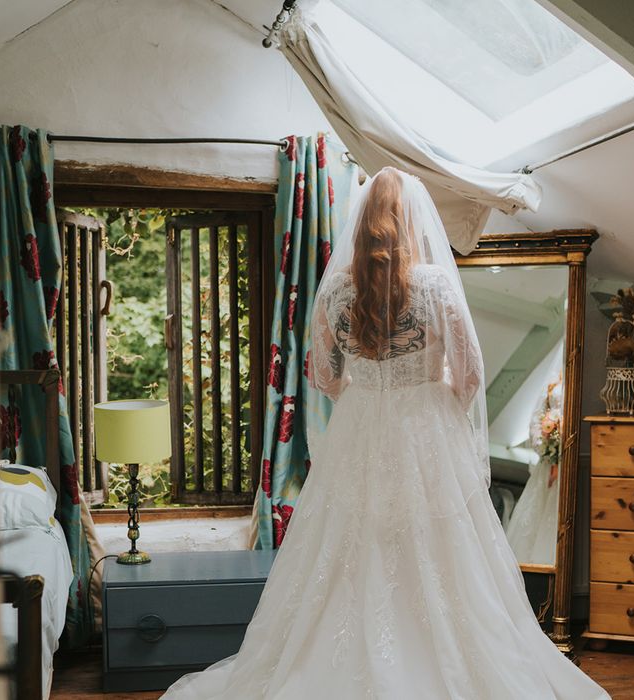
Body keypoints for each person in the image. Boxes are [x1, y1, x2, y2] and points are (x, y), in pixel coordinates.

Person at [162, 167, 610, 699]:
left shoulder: (336, 293)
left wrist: (369, 384)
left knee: (353, 542)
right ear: (409, 221)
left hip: (359, 427)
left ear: (362, 224)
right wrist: (430, 390)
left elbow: (324, 378)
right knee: (437, 545)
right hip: (426, 428)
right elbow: (469, 376)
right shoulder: (435, 286)